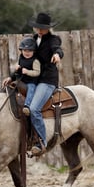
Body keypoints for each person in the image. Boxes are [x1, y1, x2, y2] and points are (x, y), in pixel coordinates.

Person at [28, 12, 64, 156]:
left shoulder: (53, 39)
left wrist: (57, 55)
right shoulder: (33, 39)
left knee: (34, 108)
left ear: (48, 28)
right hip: (33, 78)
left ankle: (42, 141)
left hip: (47, 80)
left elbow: (58, 49)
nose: (40, 30)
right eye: (38, 27)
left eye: (43, 28)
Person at [2, 37, 41, 116]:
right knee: (10, 86)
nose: (27, 52)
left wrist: (27, 72)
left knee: (31, 88)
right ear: (21, 50)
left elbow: (37, 72)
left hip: (31, 82)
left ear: (34, 51)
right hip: (21, 80)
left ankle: (27, 105)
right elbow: (18, 73)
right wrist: (10, 77)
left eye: (30, 50)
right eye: (25, 50)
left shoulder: (35, 61)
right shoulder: (21, 58)